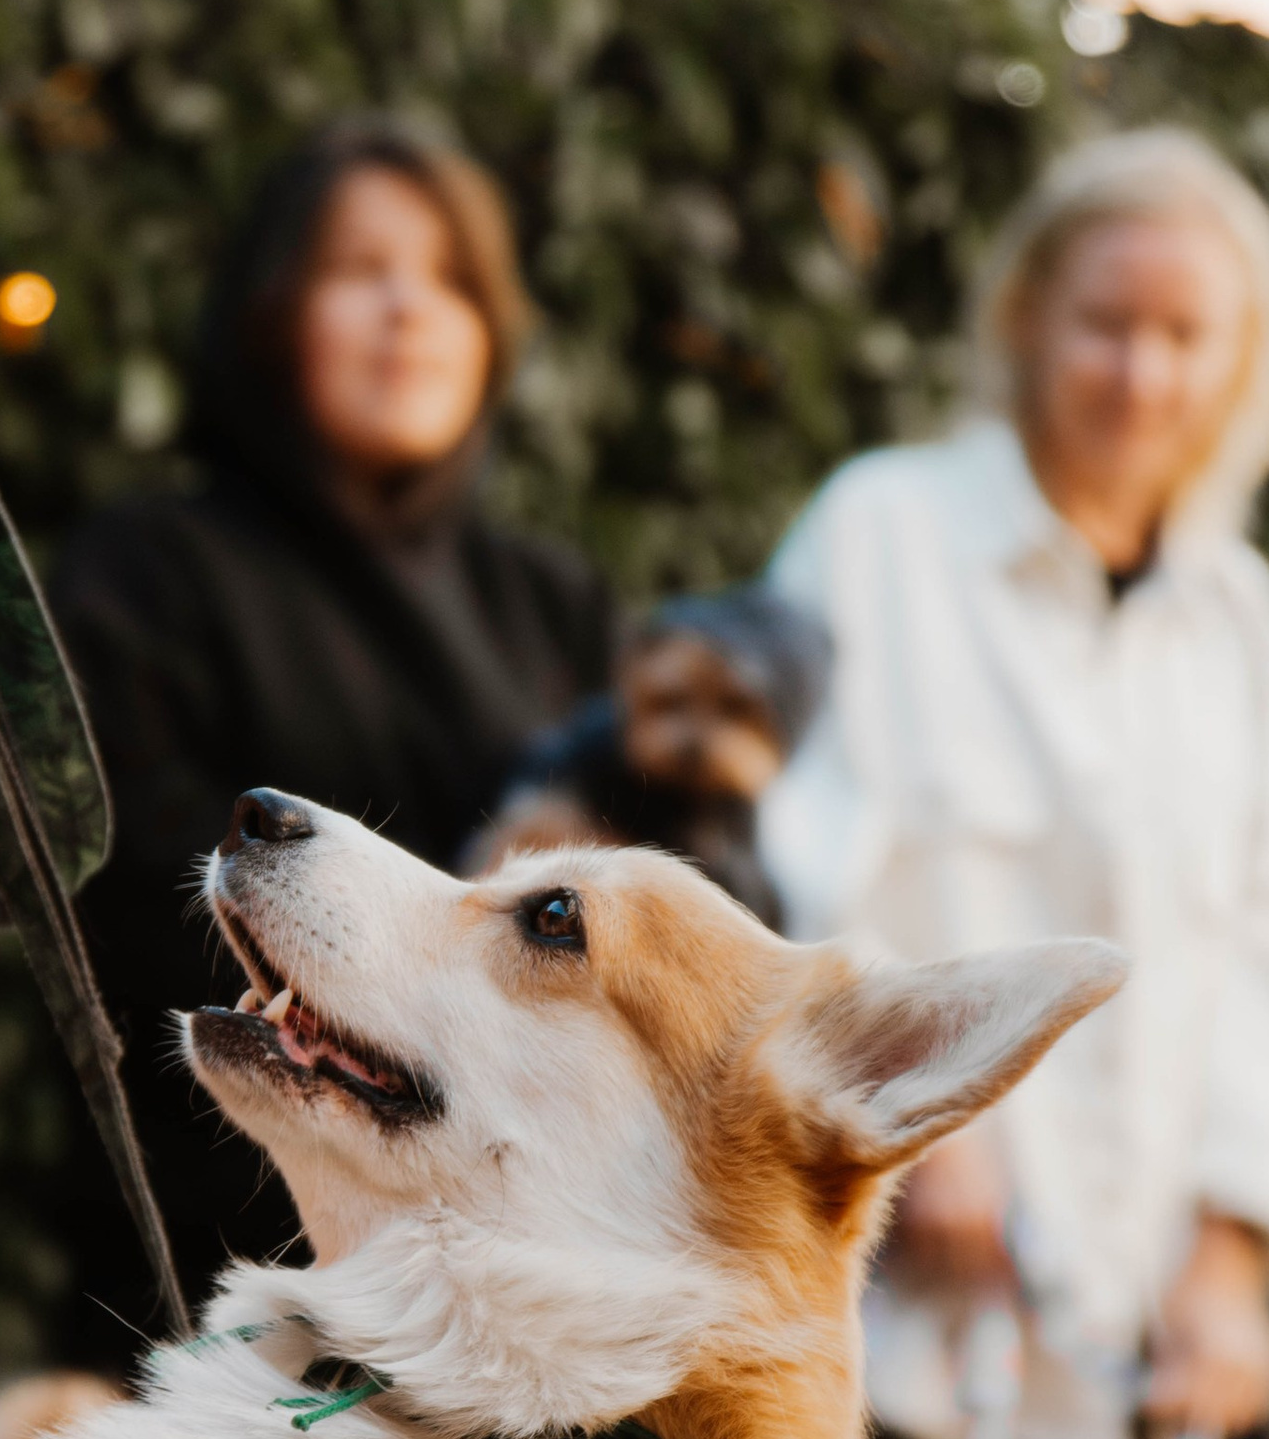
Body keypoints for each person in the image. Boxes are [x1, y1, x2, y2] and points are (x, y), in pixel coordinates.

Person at [762, 129, 1269, 1439]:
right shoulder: (883, 536)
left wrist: (1238, 1248)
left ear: (1241, 366)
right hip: (891, 1316)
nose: (1140, 371)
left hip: (1124, 1343)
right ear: (1027, 320)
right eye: (1104, 322)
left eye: (1186, 336)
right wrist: (909, 1127)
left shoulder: (1243, 627)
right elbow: (783, 860)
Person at [51, 118, 615, 1335]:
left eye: (450, 279)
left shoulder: (555, 602)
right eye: (360, 270)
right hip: (219, 1284)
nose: (409, 308)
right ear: (271, 311)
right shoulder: (145, 573)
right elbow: (125, 909)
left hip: (515, 1310)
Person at [470, 580, 829, 917]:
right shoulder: (580, 755)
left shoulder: (731, 824)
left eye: (734, 709)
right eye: (670, 704)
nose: (695, 740)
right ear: (631, 690)